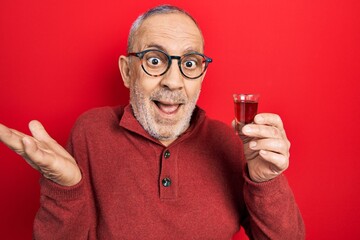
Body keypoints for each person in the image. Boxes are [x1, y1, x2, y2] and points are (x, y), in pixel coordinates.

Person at [0, 5, 305, 239]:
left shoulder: (232, 144)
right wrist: (65, 187)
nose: (173, 82)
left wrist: (266, 181)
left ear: (202, 76)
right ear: (127, 71)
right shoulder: (90, 132)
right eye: (155, 60)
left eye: (189, 63)